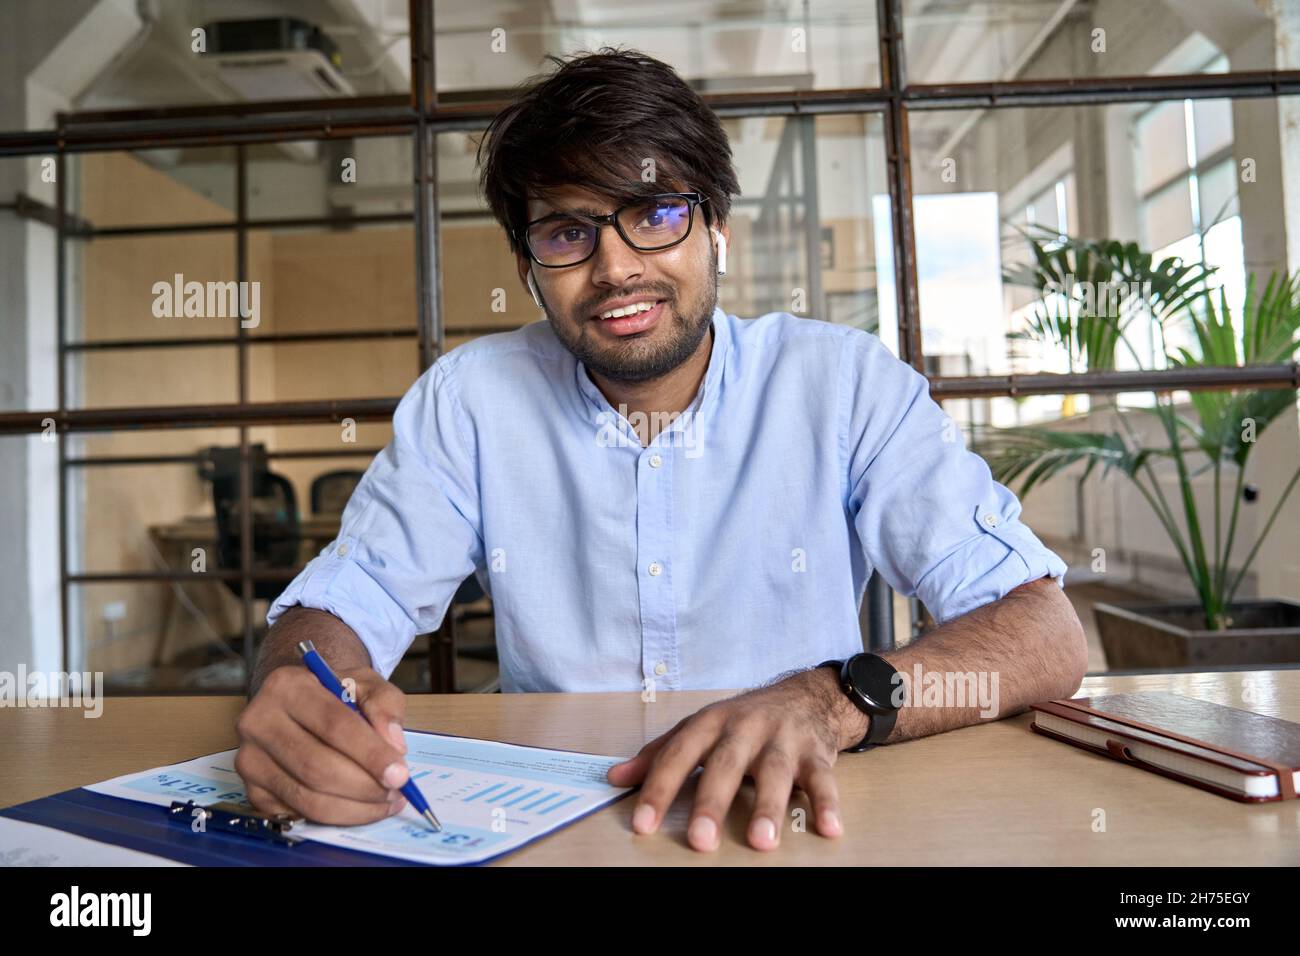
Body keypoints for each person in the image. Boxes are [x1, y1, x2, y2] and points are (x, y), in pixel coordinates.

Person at [235, 48, 1086, 853]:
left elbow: (1044, 634)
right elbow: (349, 601)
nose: (614, 267)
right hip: (553, 826)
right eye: (568, 233)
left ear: (716, 229)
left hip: (800, 819)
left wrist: (830, 702)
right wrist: (310, 695)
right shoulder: (471, 402)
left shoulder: (844, 383)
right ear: (529, 266)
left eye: (654, 214)